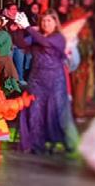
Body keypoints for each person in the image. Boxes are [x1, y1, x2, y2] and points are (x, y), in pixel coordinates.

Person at [12, 11, 75, 154]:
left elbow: (46, 43)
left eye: (49, 21)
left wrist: (28, 28)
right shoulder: (37, 36)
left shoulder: (59, 38)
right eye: (43, 21)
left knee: (56, 112)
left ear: (55, 22)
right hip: (37, 80)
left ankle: (58, 142)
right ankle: (36, 144)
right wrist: (18, 30)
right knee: (35, 111)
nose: (46, 24)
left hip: (55, 81)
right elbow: (21, 44)